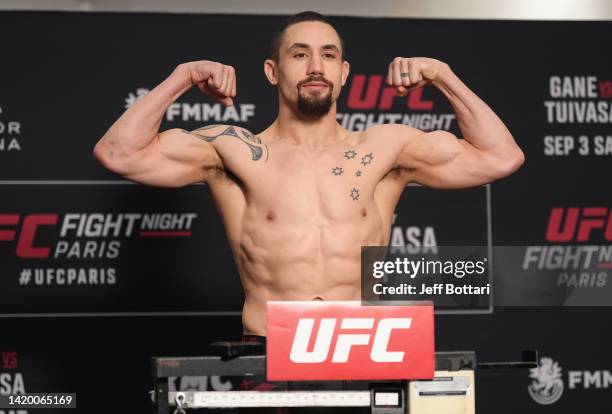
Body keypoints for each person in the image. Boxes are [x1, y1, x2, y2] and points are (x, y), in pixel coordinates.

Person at [93, 11, 524, 337]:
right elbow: (118, 153)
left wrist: (443, 76)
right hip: (266, 348)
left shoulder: (384, 148)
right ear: (272, 71)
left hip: (362, 344)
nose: (315, 67)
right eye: (300, 55)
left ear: (343, 73)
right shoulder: (236, 150)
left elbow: (500, 157)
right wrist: (182, 76)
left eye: (328, 56)